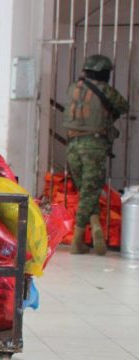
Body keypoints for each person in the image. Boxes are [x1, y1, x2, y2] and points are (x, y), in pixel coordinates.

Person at [64, 53, 129, 255]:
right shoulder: (105, 90)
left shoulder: (73, 88)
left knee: (86, 191)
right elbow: (123, 106)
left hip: (72, 144)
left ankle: (96, 229)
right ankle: (77, 239)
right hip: (93, 145)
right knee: (90, 192)